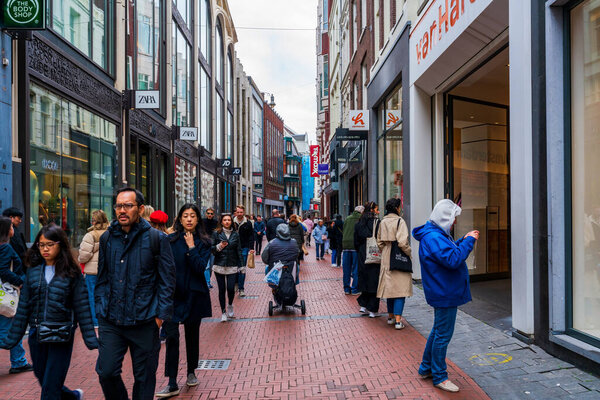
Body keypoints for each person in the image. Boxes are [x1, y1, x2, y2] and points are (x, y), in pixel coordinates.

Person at [95, 187, 176, 400]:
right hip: (112, 319)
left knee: (144, 379)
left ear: (140, 209)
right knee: (106, 371)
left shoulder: (157, 239)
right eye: (119, 206)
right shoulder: (106, 239)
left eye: (128, 206)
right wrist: (101, 308)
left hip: (145, 319)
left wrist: (159, 318)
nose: (122, 210)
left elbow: (167, 282)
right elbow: (102, 278)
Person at [1, 224, 98, 399]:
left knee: (50, 388)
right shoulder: (33, 271)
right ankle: (72, 397)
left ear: (60, 245)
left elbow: (82, 306)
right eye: (41, 244)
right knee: (44, 379)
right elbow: (24, 307)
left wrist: (91, 338)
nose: (45, 249)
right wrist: (11, 339)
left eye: (50, 244)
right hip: (37, 335)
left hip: (61, 336)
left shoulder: (71, 272)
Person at [412, 199, 479, 393]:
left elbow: (447, 252)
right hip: (445, 292)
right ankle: (440, 376)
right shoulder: (434, 237)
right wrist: (469, 241)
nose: (455, 222)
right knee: (442, 335)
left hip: (441, 290)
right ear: (445, 218)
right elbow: (453, 258)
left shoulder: (433, 234)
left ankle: (426, 367)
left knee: (437, 331)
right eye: (453, 218)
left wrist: (462, 240)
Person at [156, 204, 212, 398]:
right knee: (171, 336)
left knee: (191, 335)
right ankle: (172, 381)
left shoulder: (205, 243)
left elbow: (199, 268)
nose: (189, 219)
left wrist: (191, 247)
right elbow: (163, 268)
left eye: (193, 216)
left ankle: (191, 372)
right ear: (179, 219)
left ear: (198, 220)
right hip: (173, 296)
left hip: (194, 295)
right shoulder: (170, 241)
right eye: (185, 216)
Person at [0, 216, 33, 374]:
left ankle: (19, 361)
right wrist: (20, 282)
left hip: (4, 294)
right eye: (11, 227)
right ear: (6, 231)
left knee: (14, 327)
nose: (14, 229)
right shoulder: (5, 248)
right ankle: (18, 361)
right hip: (7, 295)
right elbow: (4, 271)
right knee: (9, 329)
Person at [377, 198, 412, 330]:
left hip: (386, 255)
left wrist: (385, 249)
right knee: (400, 290)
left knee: (390, 289)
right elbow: (403, 242)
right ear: (397, 208)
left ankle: (391, 317)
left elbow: (379, 241)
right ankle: (398, 321)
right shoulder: (400, 221)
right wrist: (409, 252)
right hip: (398, 256)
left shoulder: (383, 221)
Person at [77, 209, 109, 328]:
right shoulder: (110, 233)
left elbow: (84, 255)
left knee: (91, 295)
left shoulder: (90, 235)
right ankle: (105, 318)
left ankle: (95, 321)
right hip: (106, 270)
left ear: (94, 221)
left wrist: (82, 258)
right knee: (105, 294)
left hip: (92, 271)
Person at [211, 214, 243, 322]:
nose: (227, 222)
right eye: (225, 220)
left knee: (230, 288)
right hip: (219, 265)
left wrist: (242, 265)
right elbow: (211, 249)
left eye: (229, 220)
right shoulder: (216, 234)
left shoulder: (235, 235)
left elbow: (239, 250)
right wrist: (219, 246)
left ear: (231, 222)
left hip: (232, 265)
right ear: (221, 222)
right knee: (221, 290)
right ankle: (223, 312)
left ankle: (230, 305)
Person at [354, 202, 381, 318]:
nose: (378, 211)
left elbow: (355, 240)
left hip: (362, 253)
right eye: (377, 209)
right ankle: (372, 309)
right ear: (373, 210)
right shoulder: (377, 223)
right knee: (374, 281)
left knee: (364, 278)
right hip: (374, 254)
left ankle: (363, 304)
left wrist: (360, 250)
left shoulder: (359, 223)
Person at [261, 224, 299, 302]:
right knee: (296, 267)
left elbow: (264, 258)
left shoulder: (272, 243)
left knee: (267, 268)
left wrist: (270, 261)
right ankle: (294, 282)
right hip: (290, 267)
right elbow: (297, 254)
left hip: (276, 268)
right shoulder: (294, 242)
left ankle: (273, 287)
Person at [233, 205, 255, 297]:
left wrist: (251, 248)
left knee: (242, 268)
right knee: (234, 268)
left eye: (241, 212)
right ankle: (236, 284)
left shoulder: (248, 223)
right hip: (233, 248)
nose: (239, 214)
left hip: (244, 247)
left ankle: (241, 288)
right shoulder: (231, 222)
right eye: (238, 212)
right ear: (235, 212)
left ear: (243, 212)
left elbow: (251, 236)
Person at [342, 206, 364, 295]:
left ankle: (346, 289)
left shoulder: (347, 218)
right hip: (355, 246)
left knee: (346, 269)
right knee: (356, 269)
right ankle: (355, 289)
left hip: (346, 245)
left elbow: (344, 230)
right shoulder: (361, 219)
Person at [203, 208, 218, 288]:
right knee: (207, 266)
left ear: (213, 215)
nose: (210, 215)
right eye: (208, 213)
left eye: (211, 214)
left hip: (212, 247)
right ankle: (207, 283)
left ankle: (208, 280)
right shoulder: (202, 222)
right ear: (206, 214)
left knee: (211, 266)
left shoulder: (216, 223)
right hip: (204, 246)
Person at [288, 215, 305, 283]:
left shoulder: (288, 225)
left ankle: (291, 266)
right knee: (297, 255)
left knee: (291, 255)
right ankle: (297, 267)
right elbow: (302, 234)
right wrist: (302, 241)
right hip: (298, 242)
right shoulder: (299, 225)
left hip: (290, 242)